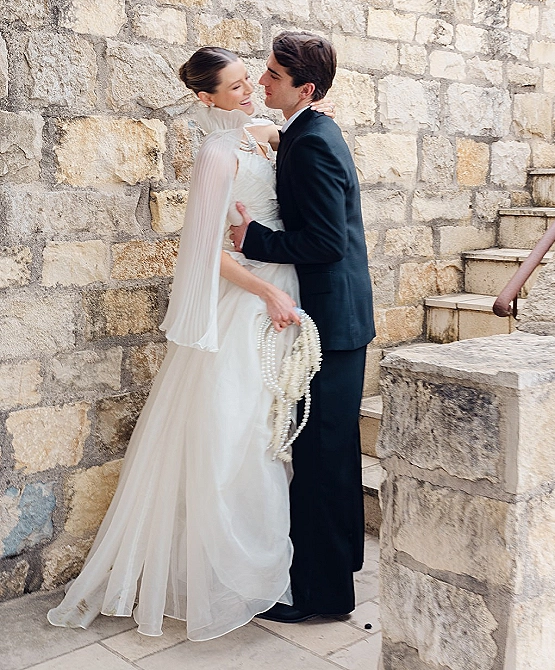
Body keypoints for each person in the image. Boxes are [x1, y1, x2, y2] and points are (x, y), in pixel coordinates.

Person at [47, 47, 333, 642]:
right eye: (234, 88)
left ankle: (269, 564)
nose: (250, 90)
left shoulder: (262, 131)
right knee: (234, 432)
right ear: (206, 99)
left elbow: (296, 163)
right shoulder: (214, 153)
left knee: (270, 428)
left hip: (288, 281)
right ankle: (227, 574)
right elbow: (205, 253)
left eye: (249, 80)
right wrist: (267, 294)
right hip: (253, 299)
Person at [231, 32, 376, 623]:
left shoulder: (313, 143)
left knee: (320, 457)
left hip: (332, 324)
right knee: (329, 453)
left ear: (305, 89)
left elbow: (323, 242)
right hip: (335, 317)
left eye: (272, 76)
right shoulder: (307, 130)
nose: (263, 83)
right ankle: (337, 570)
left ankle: (322, 598)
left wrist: (254, 240)